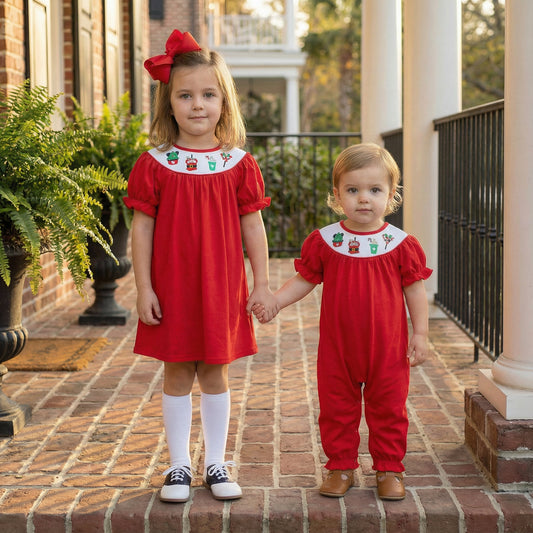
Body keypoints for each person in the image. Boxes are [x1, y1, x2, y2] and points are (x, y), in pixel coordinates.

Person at [124, 29, 277, 503]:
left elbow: (253, 227)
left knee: (214, 372)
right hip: (171, 287)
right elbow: (142, 230)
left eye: (208, 95)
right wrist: (143, 287)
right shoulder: (154, 164)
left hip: (220, 286)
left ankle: (215, 462)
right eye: (185, 95)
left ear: (223, 102)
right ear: (169, 104)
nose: (196, 105)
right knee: (176, 372)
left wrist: (263, 284)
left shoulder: (237, 164)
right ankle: (177, 466)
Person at [253, 143, 432, 500]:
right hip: (338, 348)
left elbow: (414, 289)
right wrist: (275, 301)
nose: (363, 199)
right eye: (353, 190)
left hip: (388, 348)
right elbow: (304, 280)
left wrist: (421, 334)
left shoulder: (399, 244)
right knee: (336, 408)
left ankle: (389, 469)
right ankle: (340, 466)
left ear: (391, 195)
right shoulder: (327, 241)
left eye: (374, 190)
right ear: (337, 195)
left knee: (389, 408)